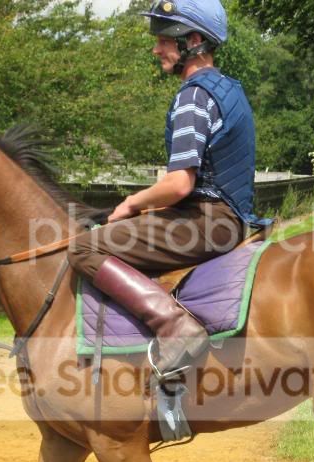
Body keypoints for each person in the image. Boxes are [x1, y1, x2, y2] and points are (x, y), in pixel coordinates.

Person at [66, 0, 269, 381]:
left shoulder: (194, 96)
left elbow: (179, 183)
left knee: (83, 248)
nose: (156, 49)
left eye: (163, 40)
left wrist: (131, 203)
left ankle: (175, 326)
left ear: (192, 41)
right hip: (228, 219)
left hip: (206, 223)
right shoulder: (229, 89)